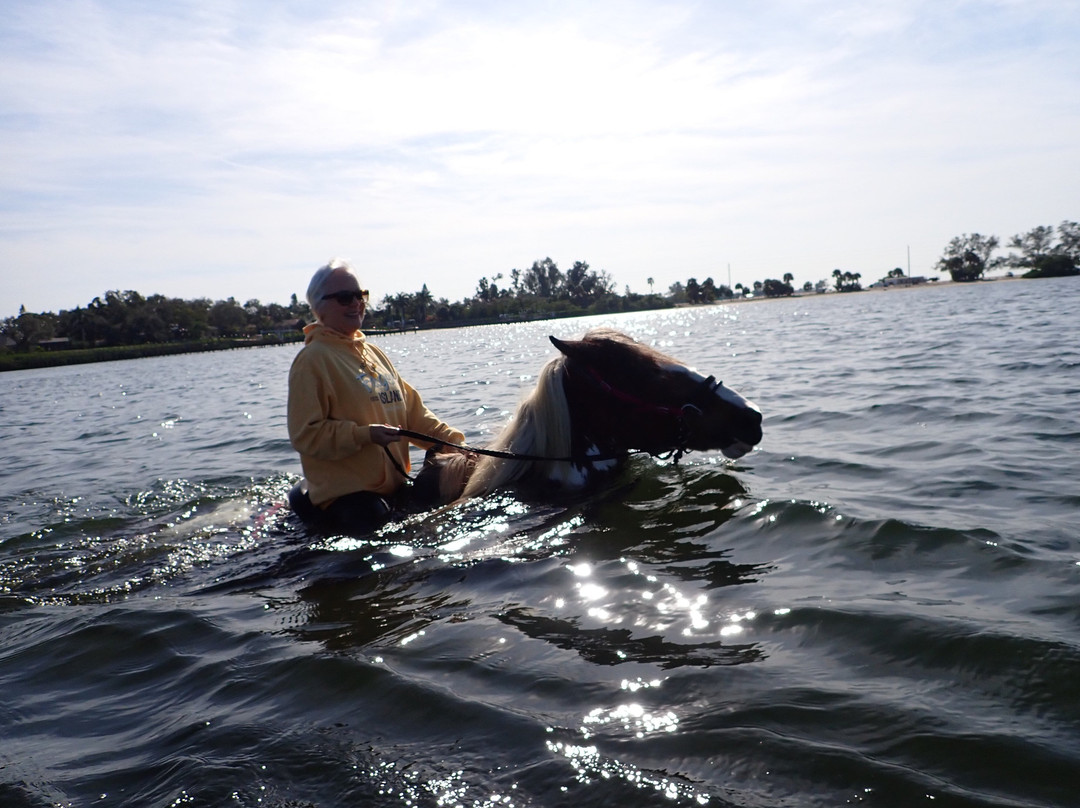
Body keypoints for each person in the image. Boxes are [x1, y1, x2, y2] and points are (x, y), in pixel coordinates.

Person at [287, 258, 466, 533]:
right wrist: (365, 435)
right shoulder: (312, 361)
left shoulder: (374, 354)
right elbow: (306, 435)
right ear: (319, 305)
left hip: (393, 490)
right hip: (350, 498)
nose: (357, 304)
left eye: (361, 296)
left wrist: (456, 442)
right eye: (346, 298)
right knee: (374, 519)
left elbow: (413, 415)